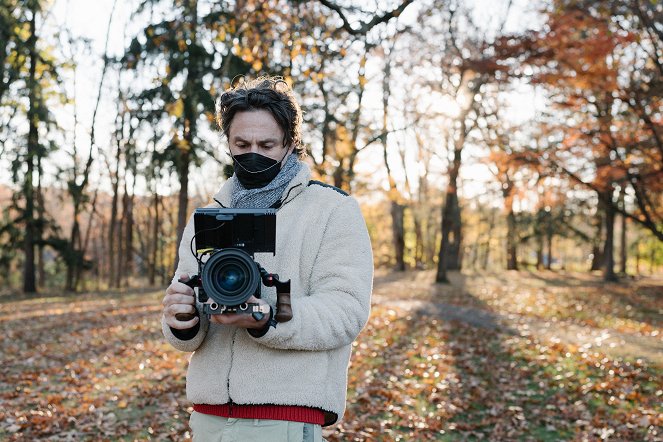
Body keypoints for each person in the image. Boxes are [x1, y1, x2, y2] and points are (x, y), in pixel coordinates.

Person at [161, 76, 373, 442]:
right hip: (207, 418)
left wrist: (268, 320)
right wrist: (181, 319)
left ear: (290, 143)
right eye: (241, 143)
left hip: (284, 417)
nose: (252, 152)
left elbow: (347, 310)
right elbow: (190, 320)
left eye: (267, 144)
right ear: (228, 143)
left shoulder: (332, 210)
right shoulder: (208, 216)